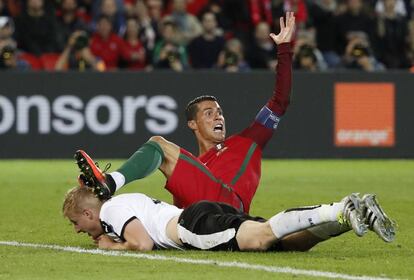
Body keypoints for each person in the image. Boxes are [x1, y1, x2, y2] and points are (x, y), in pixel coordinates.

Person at [75, 12, 295, 214]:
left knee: (159, 145)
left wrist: (284, 49)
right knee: (142, 211)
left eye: (219, 112)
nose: (218, 116)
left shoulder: (247, 142)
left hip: (229, 209)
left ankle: (110, 182)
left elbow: (280, 101)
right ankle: (98, 204)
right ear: (193, 124)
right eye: (209, 113)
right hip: (203, 223)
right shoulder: (191, 172)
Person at [62, 187, 396, 252]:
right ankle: (348, 217)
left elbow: (143, 243)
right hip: (200, 212)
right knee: (288, 243)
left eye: (77, 222)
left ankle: (339, 208)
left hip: (189, 227)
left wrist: (110, 246)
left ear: (89, 212)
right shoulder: (123, 204)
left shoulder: (111, 210)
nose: (79, 231)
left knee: (262, 236)